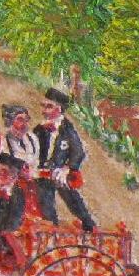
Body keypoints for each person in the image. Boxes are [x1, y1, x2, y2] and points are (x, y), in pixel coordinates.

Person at [33, 87, 95, 229]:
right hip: (43, 174)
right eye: (43, 106)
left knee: (72, 199)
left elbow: (78, 152)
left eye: (49, 107)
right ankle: (51, 229)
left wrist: (67, 168)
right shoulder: (39, 129)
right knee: (45, 203)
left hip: (61, 173)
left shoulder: (67, 129)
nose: (44, 110)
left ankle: (89, 226)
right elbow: (33, 150)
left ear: (59, 109)